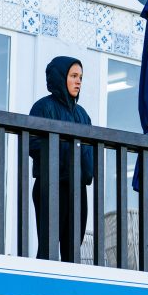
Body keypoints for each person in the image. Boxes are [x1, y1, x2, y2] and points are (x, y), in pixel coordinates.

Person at [29, 56, 93, 262]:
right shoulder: (43, 107)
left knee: (73, 251)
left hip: (78, 188)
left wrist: (85, 171)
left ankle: (68, 293)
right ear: (60, 77)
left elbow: (89, 149)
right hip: (50, 185)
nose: (78, 81)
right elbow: (33, 143)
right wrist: (67, 157)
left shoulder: (83, 114)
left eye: (81, 77)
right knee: (48, 249)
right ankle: (42, 290)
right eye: (73, 76)